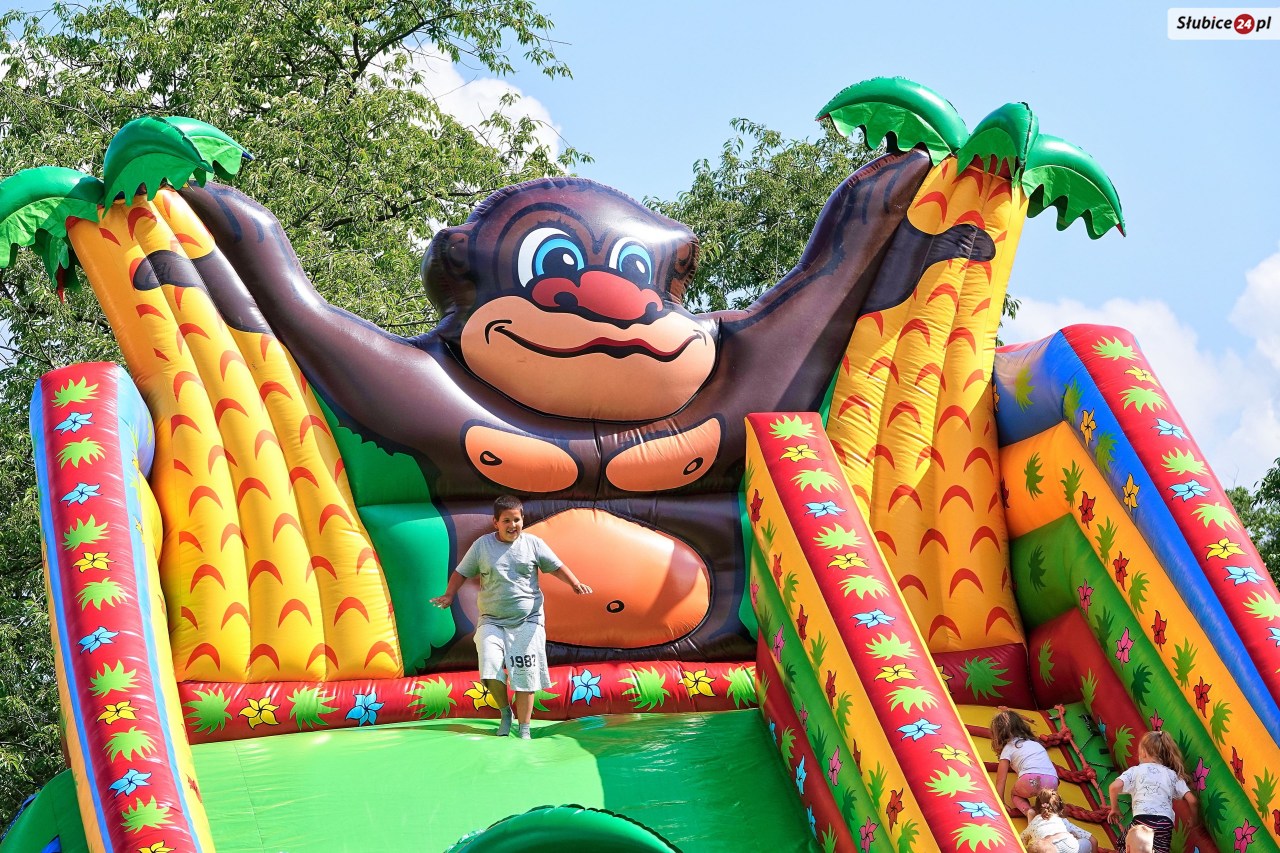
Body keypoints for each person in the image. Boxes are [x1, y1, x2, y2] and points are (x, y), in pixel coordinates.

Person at [431, 495, 592, 739]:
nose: (512, 525)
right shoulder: (482, 546)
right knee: (489, 668)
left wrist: (575, 583)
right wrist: (449, 595)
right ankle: (506, 713)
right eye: (506, 520)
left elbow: (557, 566)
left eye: (516, 520)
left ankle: (524, 729)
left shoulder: (533, 544)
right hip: (492, 620)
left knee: (524, 674)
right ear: (496, 522)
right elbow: (461, 572)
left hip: (527, 620)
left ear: (522, 520)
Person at [1106, 731, 1197, 853]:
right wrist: (1194, 820)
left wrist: (1115, 808)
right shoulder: (1172, 775)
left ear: (1143, 752)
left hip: (1142, 820)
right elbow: (1192, 800)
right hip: (1164, 823)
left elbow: (1113, 787)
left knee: (1123, 843)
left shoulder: (1136, 771)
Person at [992, 709, 1059, 819]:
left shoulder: (1008, 748)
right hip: (1052, 780)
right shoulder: (1035, 744)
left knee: (1015, 794)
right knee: (1047, 808)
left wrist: (1000, 802)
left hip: (1030, 780)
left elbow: (1001, 779)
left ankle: (1029, 811)